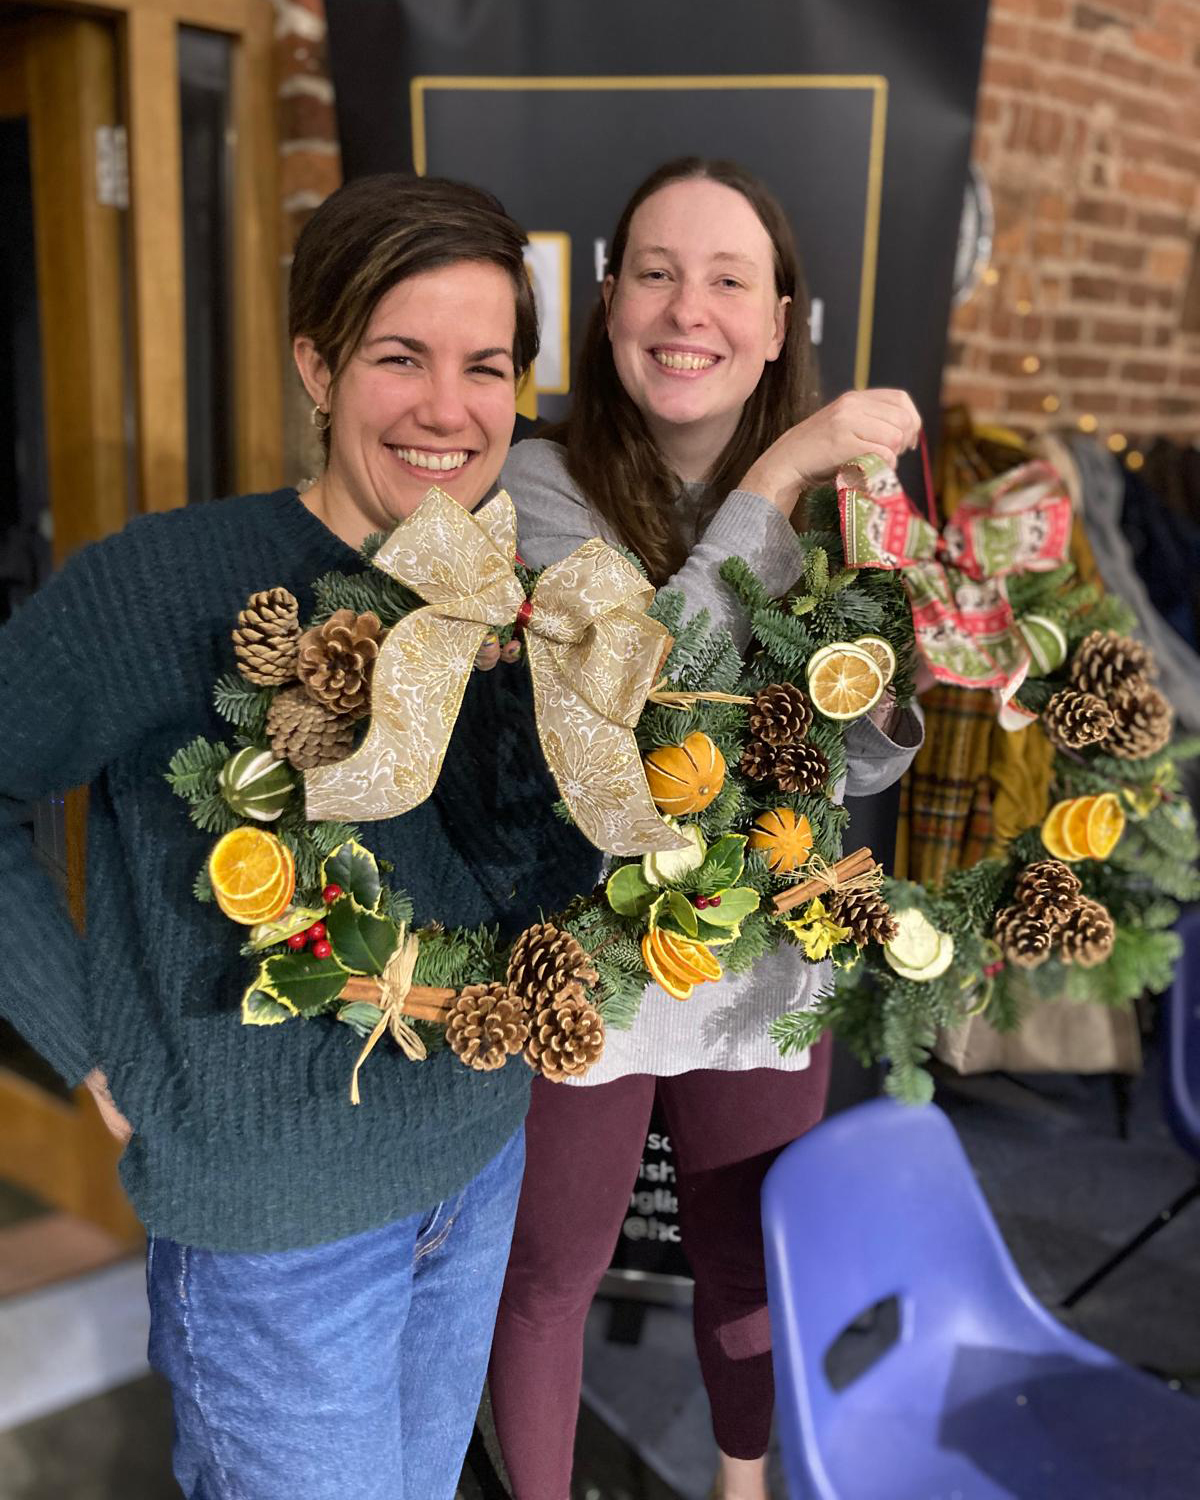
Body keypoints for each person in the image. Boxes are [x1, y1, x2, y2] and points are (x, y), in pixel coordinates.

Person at [0, 173, 601, 1500]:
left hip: (476, 1157)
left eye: (486, 366)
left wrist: (587, 740)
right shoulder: (160, 585)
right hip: (276, 1237)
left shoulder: (517, 604)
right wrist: (94, 1045)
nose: (448, 408)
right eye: (401, 356)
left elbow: (526, 889)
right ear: (316, 364)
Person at [489, 158, 924, 1500]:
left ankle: (746, 1488)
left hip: (764, 942)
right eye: (658, 274)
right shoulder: (538, 483)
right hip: (584, 936)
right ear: (608, 302)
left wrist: (901, 655)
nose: (690, 311)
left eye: (730, 279)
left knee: (746, 1256)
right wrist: (786, 469)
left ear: (782, 316)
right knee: (550, 1272)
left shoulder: (856, 507)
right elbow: (636, 692)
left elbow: (852, 754)